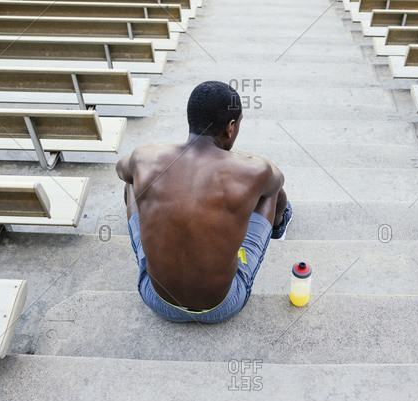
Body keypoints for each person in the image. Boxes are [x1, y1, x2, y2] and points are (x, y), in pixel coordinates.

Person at [116, 81, 292, 323]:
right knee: (270, 190)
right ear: (230, 128)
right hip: (222, 306)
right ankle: (279, 225)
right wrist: (233, 157)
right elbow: (276, 181)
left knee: (132, 179)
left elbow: (121, 171)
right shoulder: (254, 171)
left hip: (156, 299)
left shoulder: (144, 157)